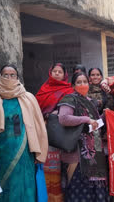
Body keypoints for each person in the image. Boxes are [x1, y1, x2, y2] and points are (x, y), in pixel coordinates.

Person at [0, 64, 48, 201]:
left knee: (27, 188)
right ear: (0, 77)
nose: (9, 78)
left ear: (17, 77)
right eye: (6, 75)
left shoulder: (28, 98)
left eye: (12, 75)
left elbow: (38, 126)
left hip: (26, 154)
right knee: (8, 191)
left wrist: (40, 151)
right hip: (3, 156)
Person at [58, 72, 109, 202]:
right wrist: (86, 119)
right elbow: (63, 119)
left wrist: (105, 116)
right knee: (78, 192)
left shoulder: (90, 102)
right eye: (79, 82)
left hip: (95, 153)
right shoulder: (69, 99)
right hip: (77, 154)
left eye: (85, 82)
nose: (82, 85)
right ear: (73, 85)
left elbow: (96, 125)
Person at [36, 63, 74, 202]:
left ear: (65, 75)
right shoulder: (43, 89)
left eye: (60, 72)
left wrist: (56, 113)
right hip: (45, 133)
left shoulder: (69, 90)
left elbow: (71, 109)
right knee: (48, 167)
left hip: (63, 134)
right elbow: (36, 109)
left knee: (62, 168)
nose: (57, 74)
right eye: (54, 71)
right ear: (50, 73)